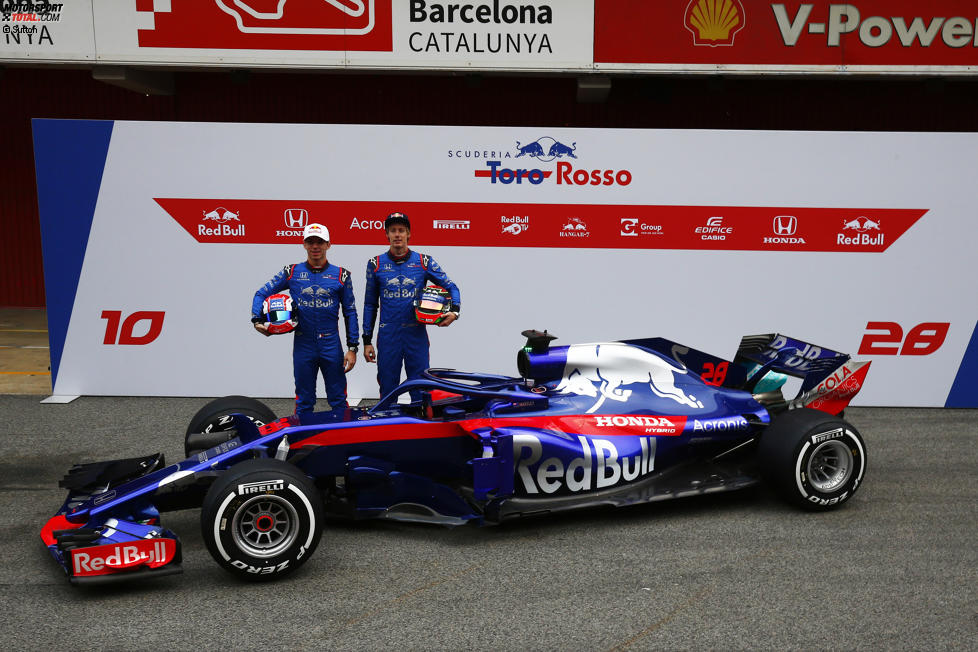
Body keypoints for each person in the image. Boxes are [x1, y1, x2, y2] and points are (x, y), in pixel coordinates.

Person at [251, 223, 359, 413]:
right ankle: (301, 442)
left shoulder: (341, 275)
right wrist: (257, 320)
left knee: (339, 400)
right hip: (304, 343)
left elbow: (350, 312)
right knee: (304, 400)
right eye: (311, 242)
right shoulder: (291, 272)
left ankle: (342, 441)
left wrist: (352, 348)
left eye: (320, 242)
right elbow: (261, 294)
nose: (315, 246)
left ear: (328, 245)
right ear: (304, 244)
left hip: (331, 343)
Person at [362, 212, 460, 398]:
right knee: (387, 390)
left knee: (421, 389)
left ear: (409, 234)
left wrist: (455, 311)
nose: (397, 234)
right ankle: (388, 427)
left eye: (401, 230)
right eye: (393, 231)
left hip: (416, 334)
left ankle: (421, 427)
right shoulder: (375, 264)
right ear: (387, 235)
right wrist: (366, 340)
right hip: (388, 335)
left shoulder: (423, 262)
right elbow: (370, 304)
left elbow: (451, 286)